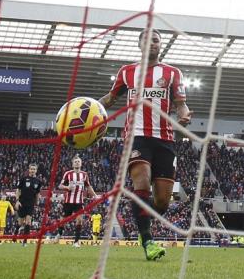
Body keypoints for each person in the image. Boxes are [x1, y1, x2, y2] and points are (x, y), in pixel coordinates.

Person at [98, 28, 192, 261]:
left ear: (161, 45)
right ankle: (148, 241)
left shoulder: (172, 73)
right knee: (141, 180)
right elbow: (109, 99)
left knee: (162, 202)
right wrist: (88, 107)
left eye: (156, 40)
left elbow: (181, 104)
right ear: (139, 44)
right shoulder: (127, 72)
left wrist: (184, 115)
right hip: (136, 136)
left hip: (165, 139)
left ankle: (142, 224)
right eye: (148, 40)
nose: (152, 43)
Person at [58, 155, 97, 248]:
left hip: (79, 202)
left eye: (78, 161)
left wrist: (95, 196)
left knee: (79, 220)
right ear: (72, 164)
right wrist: (67, 187)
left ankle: (76, 242)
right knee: (62, 220)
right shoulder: (68, 174)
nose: (77, 163)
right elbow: (60, 186)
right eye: (75, 162)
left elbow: (88, 186)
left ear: (81, 163)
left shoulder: (84, 175)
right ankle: (59, 234)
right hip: (68, 202)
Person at [14, 163, 42, 246]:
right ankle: (15, 234)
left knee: (28, 222)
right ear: (29, 170)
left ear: (36, 170)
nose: (32, 170)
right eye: (31, 169)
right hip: (22, 202)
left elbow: (37, 193)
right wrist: (17, 201)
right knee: (20, 222)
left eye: (34, 169)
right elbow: (18, 190)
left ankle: (25, 241)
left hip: (31, 203)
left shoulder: (38, 181)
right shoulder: (23, 179)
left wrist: (37, 201)